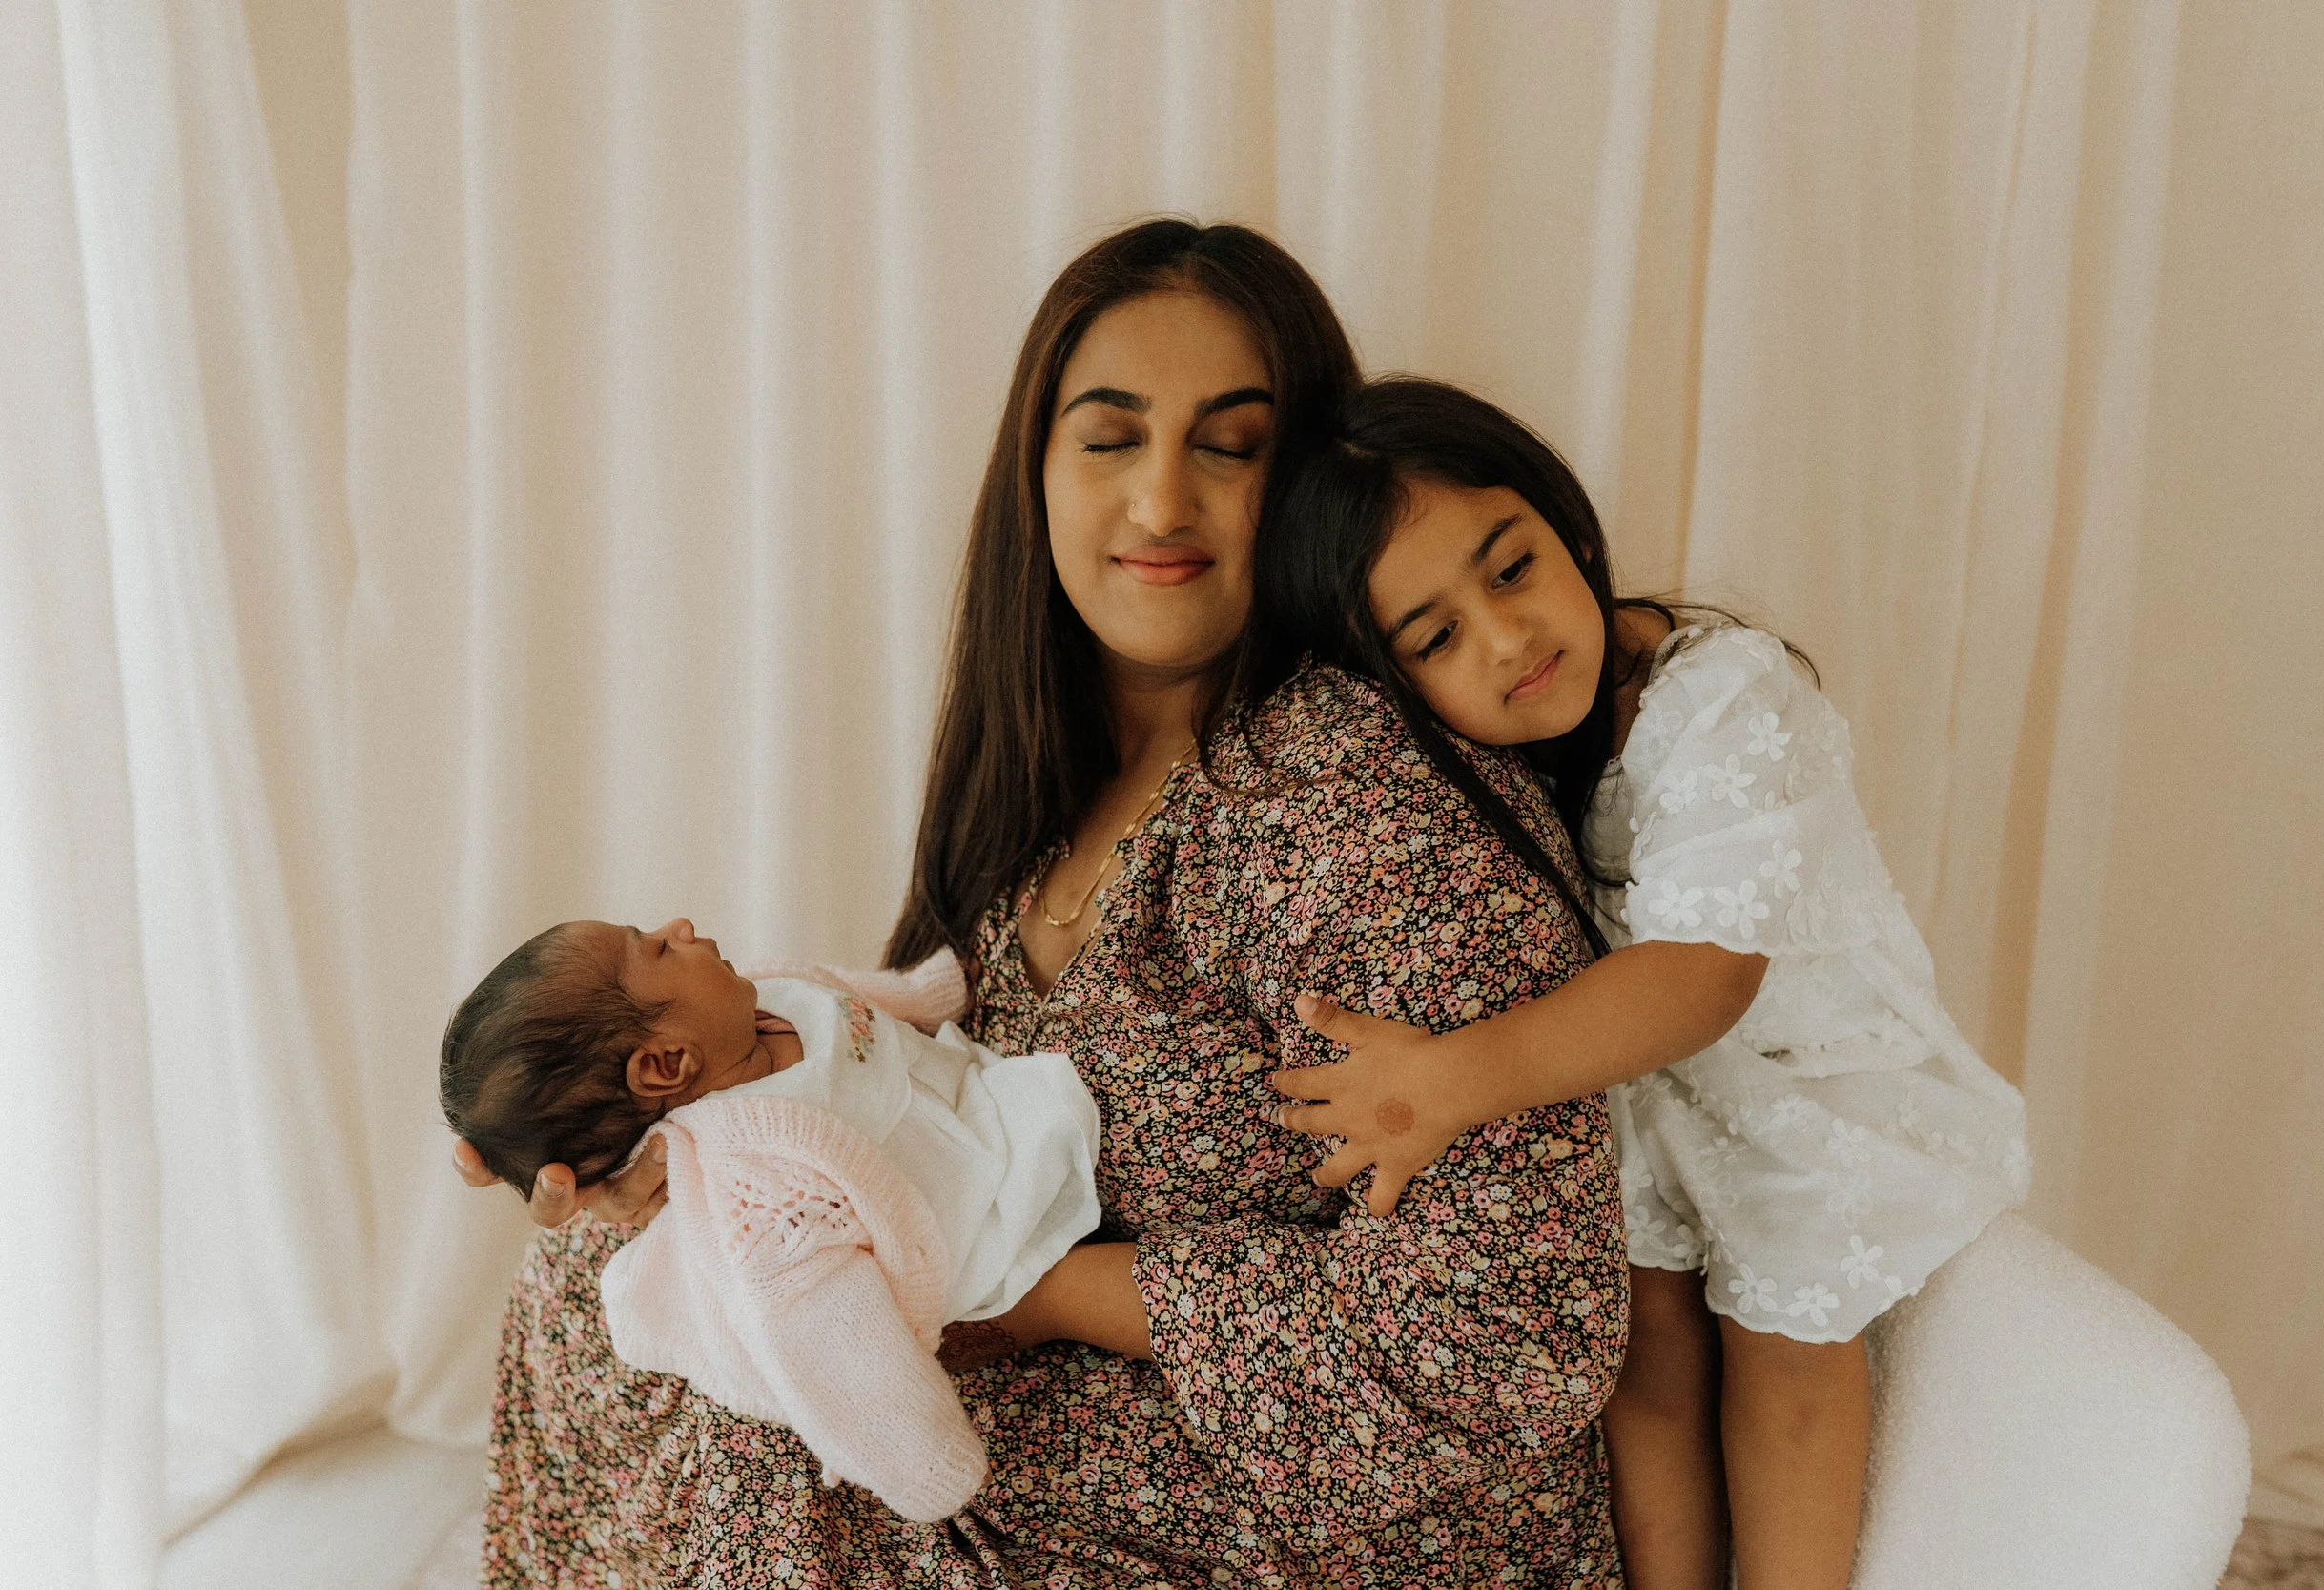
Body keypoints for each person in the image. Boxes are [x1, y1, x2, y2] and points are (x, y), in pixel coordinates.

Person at [451, 221, 1634, 1585]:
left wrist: (1035, 1291)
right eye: (1112, 437)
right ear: (1040, 468)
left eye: (1232, 445)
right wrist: (622, 1149)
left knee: (783, 1421)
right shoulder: (1042, 779)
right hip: (1088, 1414)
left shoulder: (1364, 808)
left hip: (1332, 1500)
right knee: (601, 1291)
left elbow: (1517, 1336)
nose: (1162, 503)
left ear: (1310, 484)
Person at [1260, 377, 2030, 1590]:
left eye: (1509, 569)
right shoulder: (1477, 763)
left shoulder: (1722, 694)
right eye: (1436, 637)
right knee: (1641, 1342)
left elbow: (1705, 977)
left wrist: (1446, 1080)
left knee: (1782, 1336)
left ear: (1565, 525)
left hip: (1807, 1075)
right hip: (1650, 1089)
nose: (1506, 639)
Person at [438, 919, 1100, 1520]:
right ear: (667, 1062)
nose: (684, 927)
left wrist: (929, 990)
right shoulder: (756, 1180)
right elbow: (828, 1332)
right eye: (660, 947)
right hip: (971, 1206)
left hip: (970, 1095)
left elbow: (848, 997)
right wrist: (925, 1458)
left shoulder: (757, 1000)